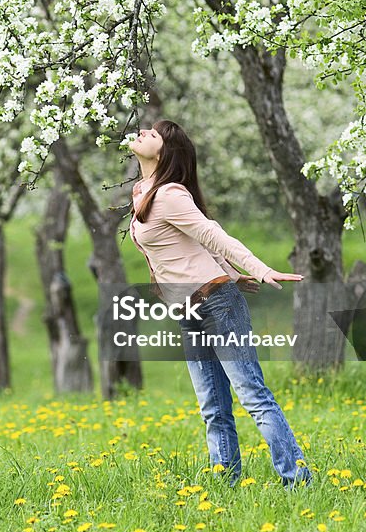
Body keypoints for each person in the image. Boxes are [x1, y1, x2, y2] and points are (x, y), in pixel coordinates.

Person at [127, 119, 312, 489]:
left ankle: (298, 481)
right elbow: (196, 245)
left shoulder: (170, 194)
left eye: (154, 133)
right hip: (189, 309)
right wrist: (230, 271)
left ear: (165, 152)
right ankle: (224, 485)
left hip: (216, 305)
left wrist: (259, 269)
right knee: (212, 407)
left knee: (252, 396)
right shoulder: (143, 191)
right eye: (146, 129)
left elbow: (213, 234)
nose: (144, 132)